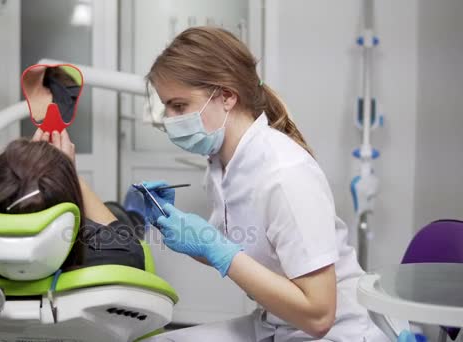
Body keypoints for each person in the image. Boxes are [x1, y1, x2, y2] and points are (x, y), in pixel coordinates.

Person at [140, 27, 388, 341]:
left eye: (178, 106)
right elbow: (236, 251)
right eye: (166, 108)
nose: (169, 120)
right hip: (277, 322)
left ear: (227, 96)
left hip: (334, 331)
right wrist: (178, 228)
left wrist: (214, 248)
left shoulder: (285, 174)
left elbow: (320, 315)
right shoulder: (222, 165)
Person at [0, 137, 144, 274]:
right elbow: (125, 242)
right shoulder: (117, 257)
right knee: (118, 216)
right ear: (68, 211)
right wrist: (69, 172)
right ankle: (134, 218)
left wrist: (23, 170)